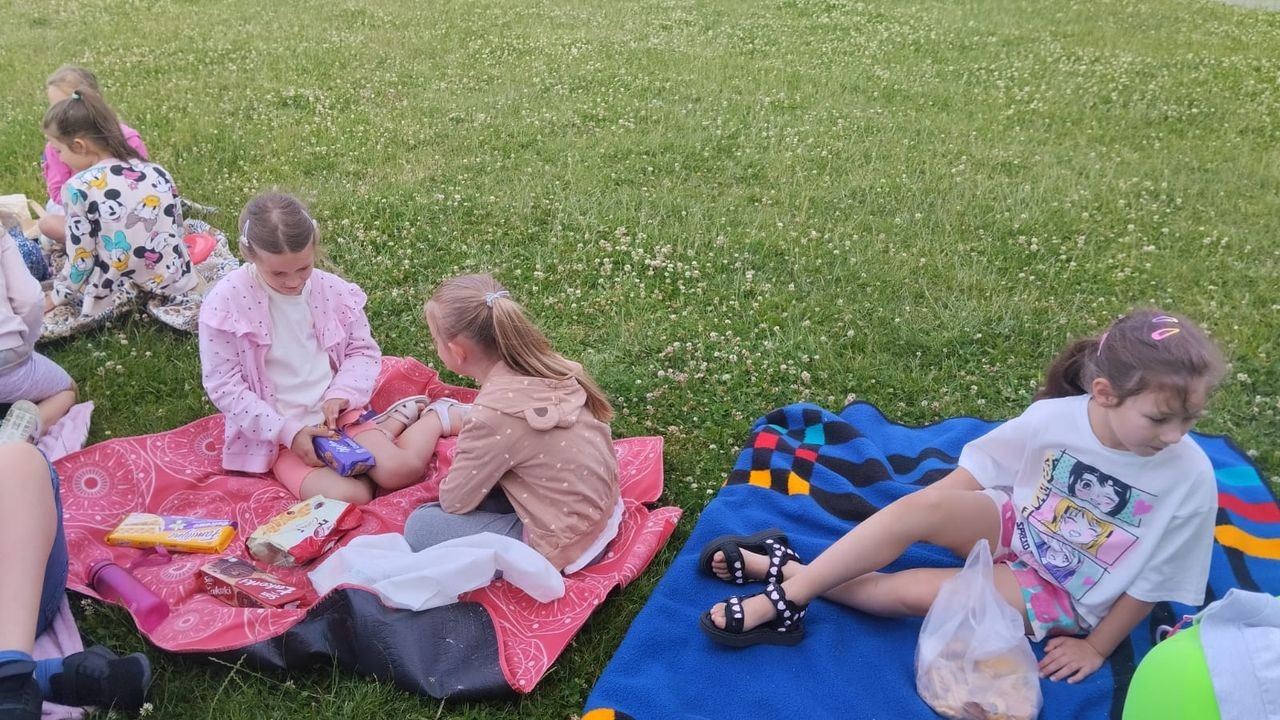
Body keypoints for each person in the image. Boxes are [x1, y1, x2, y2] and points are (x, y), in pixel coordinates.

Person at [700, 309, 1225, 684]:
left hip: (1065, 590)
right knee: (920, 507)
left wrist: (1095, 646)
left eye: (1190, 418)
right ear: (1105, 394)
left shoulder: (1190, 477)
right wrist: (921, 516)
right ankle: (794, 591)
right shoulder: (1055, 419)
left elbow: (1155, 580)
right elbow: (977, 471)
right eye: (1160, 418)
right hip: (1019, 526)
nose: (1176, 434)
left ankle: (789, 581)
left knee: (911, 593)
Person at [198, 192, 439, 505]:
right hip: (279, 436)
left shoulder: (331, 290)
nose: (293, 282)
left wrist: (342, 393)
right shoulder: (226, 302)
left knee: (399, 472)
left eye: (304, 268)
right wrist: (287, 432)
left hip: (340, 417)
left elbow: (362, 350)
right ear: (249, 254)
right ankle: (392, 425)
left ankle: (438, 417)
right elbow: (224, 385)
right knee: (351, 496)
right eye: (278, 273)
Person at [402, 274, 623, 574]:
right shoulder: (549, 366)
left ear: (457, 352)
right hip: (604, 510)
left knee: (422, 526)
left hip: (568, 546)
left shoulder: (491, 416)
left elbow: (454, 502)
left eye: (434, 339)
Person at [0, 440, 151, 720]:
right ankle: (21, 682)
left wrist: (32, 420)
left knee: (19, 462)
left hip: (14, 585)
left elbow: (50, 406)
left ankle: (14, 681)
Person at [41, 89, 198, 335]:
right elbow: (176, 229)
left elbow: (82, 259)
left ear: (79, 146)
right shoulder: (157, 171)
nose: (59, 159)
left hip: (114, 289)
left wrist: (57, 295)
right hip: (173, 280)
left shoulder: (78, 187)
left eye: (58, 151)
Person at [37, 65, 149, 248]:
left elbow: (144, 181)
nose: (59, 114)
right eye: (55, 107)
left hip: (125, 207)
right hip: (80, 210)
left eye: (66, 106)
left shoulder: (127, 138)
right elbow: (57, 193)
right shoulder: (56, 148)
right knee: (49, 222)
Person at [0, 226, 76, 434]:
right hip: (6, 354)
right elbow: (29, 299)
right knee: (67, 390)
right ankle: (17, 437)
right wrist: (26, 344)